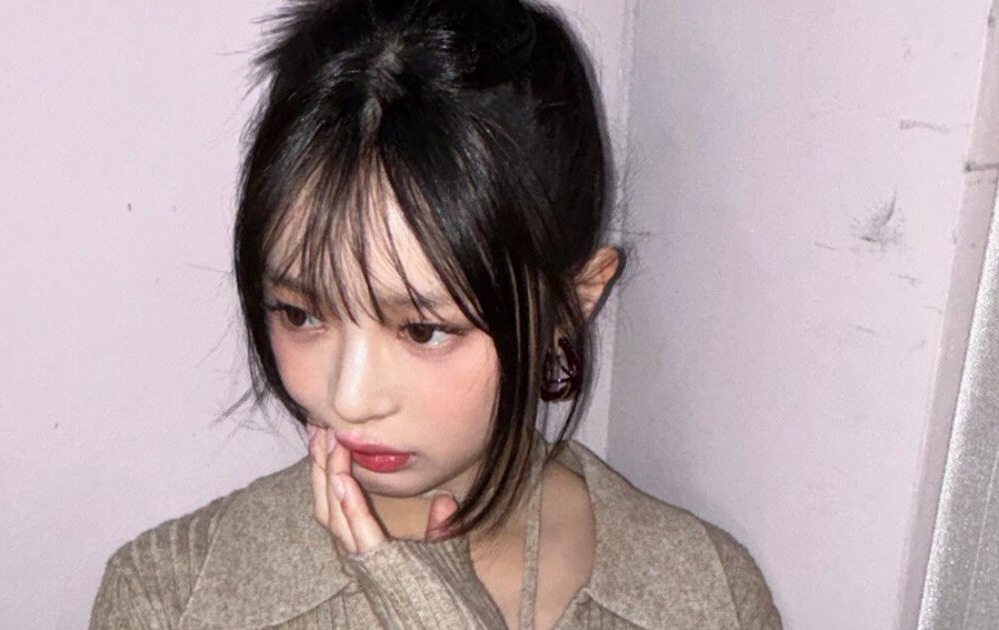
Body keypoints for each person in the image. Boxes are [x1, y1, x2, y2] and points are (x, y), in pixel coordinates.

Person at [89, 0, 781, 628]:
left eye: (423, 329)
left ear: (571, 302)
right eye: (300, 314)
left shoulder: (705, 595)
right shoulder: (170, 597)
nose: (348, 397)